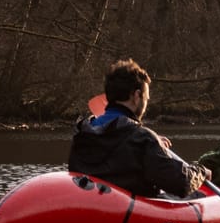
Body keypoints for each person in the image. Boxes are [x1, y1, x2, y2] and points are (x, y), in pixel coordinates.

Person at [67, 59, 210, 198]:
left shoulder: (82, 133)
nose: (146, 103)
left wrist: (153, 145)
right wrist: (201, 171)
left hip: (92, 208)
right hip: (130, 214)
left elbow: (116, 144)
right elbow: (182, 183)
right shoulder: (142, 140)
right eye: (146, 98)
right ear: (136, 96)